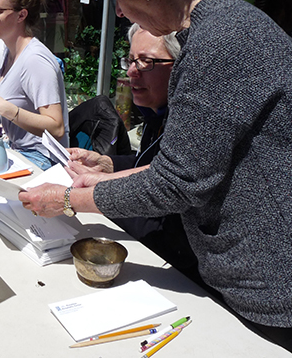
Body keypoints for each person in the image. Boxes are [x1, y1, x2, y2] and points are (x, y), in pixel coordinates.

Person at [18, 0, 292, 358]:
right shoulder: (222, 25)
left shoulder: (220, 42)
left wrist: (67, 198)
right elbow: (197, 161)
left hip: (289, 278)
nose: (120, 13)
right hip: (276, 265)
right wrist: (107, 177)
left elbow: (179, 182)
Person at [67, 24, 199, 281]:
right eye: (130, 60)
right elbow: (146, 162)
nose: (131, 72)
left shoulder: (192, 125)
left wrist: (74, 199)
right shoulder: (156, 112)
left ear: (180, 66)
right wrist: (106, 163)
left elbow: (161, 198)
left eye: (146, 62)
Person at [0, 0, 68, 170]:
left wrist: (4, 109)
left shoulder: (35, 60)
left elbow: (56, 127)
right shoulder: (7, 50)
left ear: (21, 15)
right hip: (16, 149)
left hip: (42, 159)